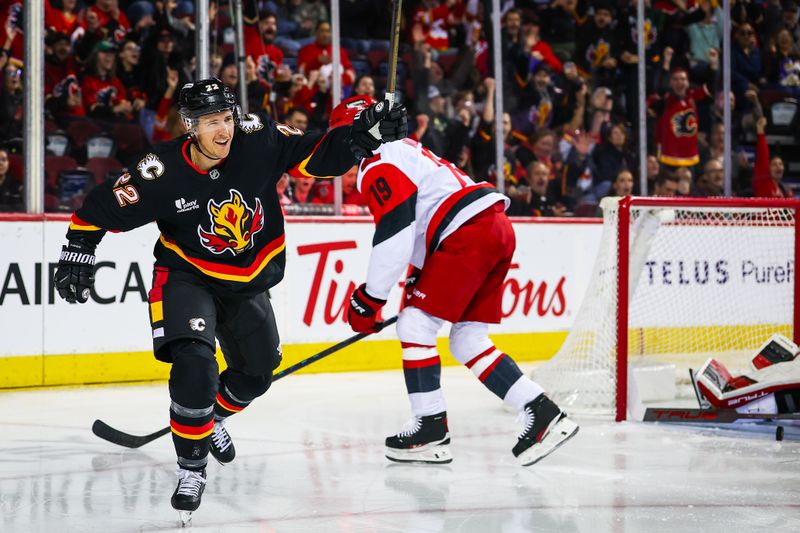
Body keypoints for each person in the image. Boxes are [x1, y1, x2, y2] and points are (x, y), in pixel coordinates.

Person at [53, 79, 407, 520]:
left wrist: (364, 136)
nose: (223, 131)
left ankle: (212, 417)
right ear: (188, 126)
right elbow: (98, 209)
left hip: (246, 282)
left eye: (226, 119)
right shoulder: (158, 171)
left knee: (257, 373)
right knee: (195, 364)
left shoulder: (258, 138)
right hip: (186, 277)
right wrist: (77, 251)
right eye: (210, 122)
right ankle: (192, 468)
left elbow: (318, 156)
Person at [331, 95, 579, 467]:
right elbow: (417, 226)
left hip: (464, 232)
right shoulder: (406, 149)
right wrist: (409, 280)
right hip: (491, 226)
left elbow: (395, 233)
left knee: (415, 325)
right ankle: (542, 412)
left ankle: (430, 428)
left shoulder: (378, 161)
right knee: (467, 339)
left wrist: (370, 299)